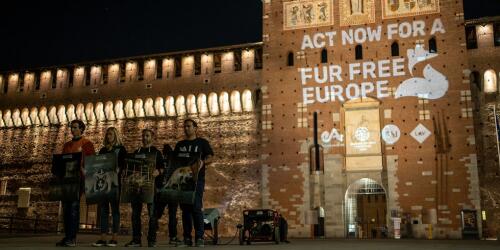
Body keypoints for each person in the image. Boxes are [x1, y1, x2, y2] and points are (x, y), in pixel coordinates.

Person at [175, 119, 213, 247]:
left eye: (189, 126)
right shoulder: (180, 145)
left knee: (196, 207)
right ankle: (187, 238)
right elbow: (174, 162)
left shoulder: (202, 143)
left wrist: (203, 162)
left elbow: (210, 157)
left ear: (195, 128)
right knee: (185, 208)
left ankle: (199, 237)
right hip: (183, 180)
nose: (186, 128)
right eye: (185, 126)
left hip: (197, 180)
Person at [56, 119, 95, 247]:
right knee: (66, 209)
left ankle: (72, 238)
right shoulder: (66, 145)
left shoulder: (87, 144)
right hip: (66, 180)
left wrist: (85, 170)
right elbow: (62, 161)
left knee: (73, 208)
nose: (72, 130)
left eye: (75, 127)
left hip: (78, 180)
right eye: (71, 127)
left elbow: (91, 162)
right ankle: (67, 236)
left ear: (81, 129)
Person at [125, 129, 163, 247]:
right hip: (137, 186)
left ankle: (152, 240)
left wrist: (158, 171)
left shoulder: (156, 153)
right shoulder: (137, 152)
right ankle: (136, 240)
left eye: (147, 136)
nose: (144, 138)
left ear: (152, 137)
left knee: (152, 214)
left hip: (151, 187)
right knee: (135, 214)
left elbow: (162, 168)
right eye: (143, 136)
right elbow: (131, 167)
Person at [92, 127, 127, 247]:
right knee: (103, 211)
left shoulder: (121, 149)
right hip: (103, 183)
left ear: (115, 135)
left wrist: (119, 169)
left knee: (115, 210)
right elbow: (98, 164)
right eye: (107, 134)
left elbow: (124, 163)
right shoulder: (103, 150)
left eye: (111, 134)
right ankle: (102, 238)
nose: (108, 136)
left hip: (115, 183)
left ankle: (114, 238)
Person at [148, 144, 182, 246]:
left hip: (161, 191)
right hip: (172, 191)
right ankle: (173, 237)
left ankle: (152, 238)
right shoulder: (176, 162)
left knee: (155, 215)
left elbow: (159, 176)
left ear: (164, 153)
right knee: (172, 215)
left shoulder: (162, 162)